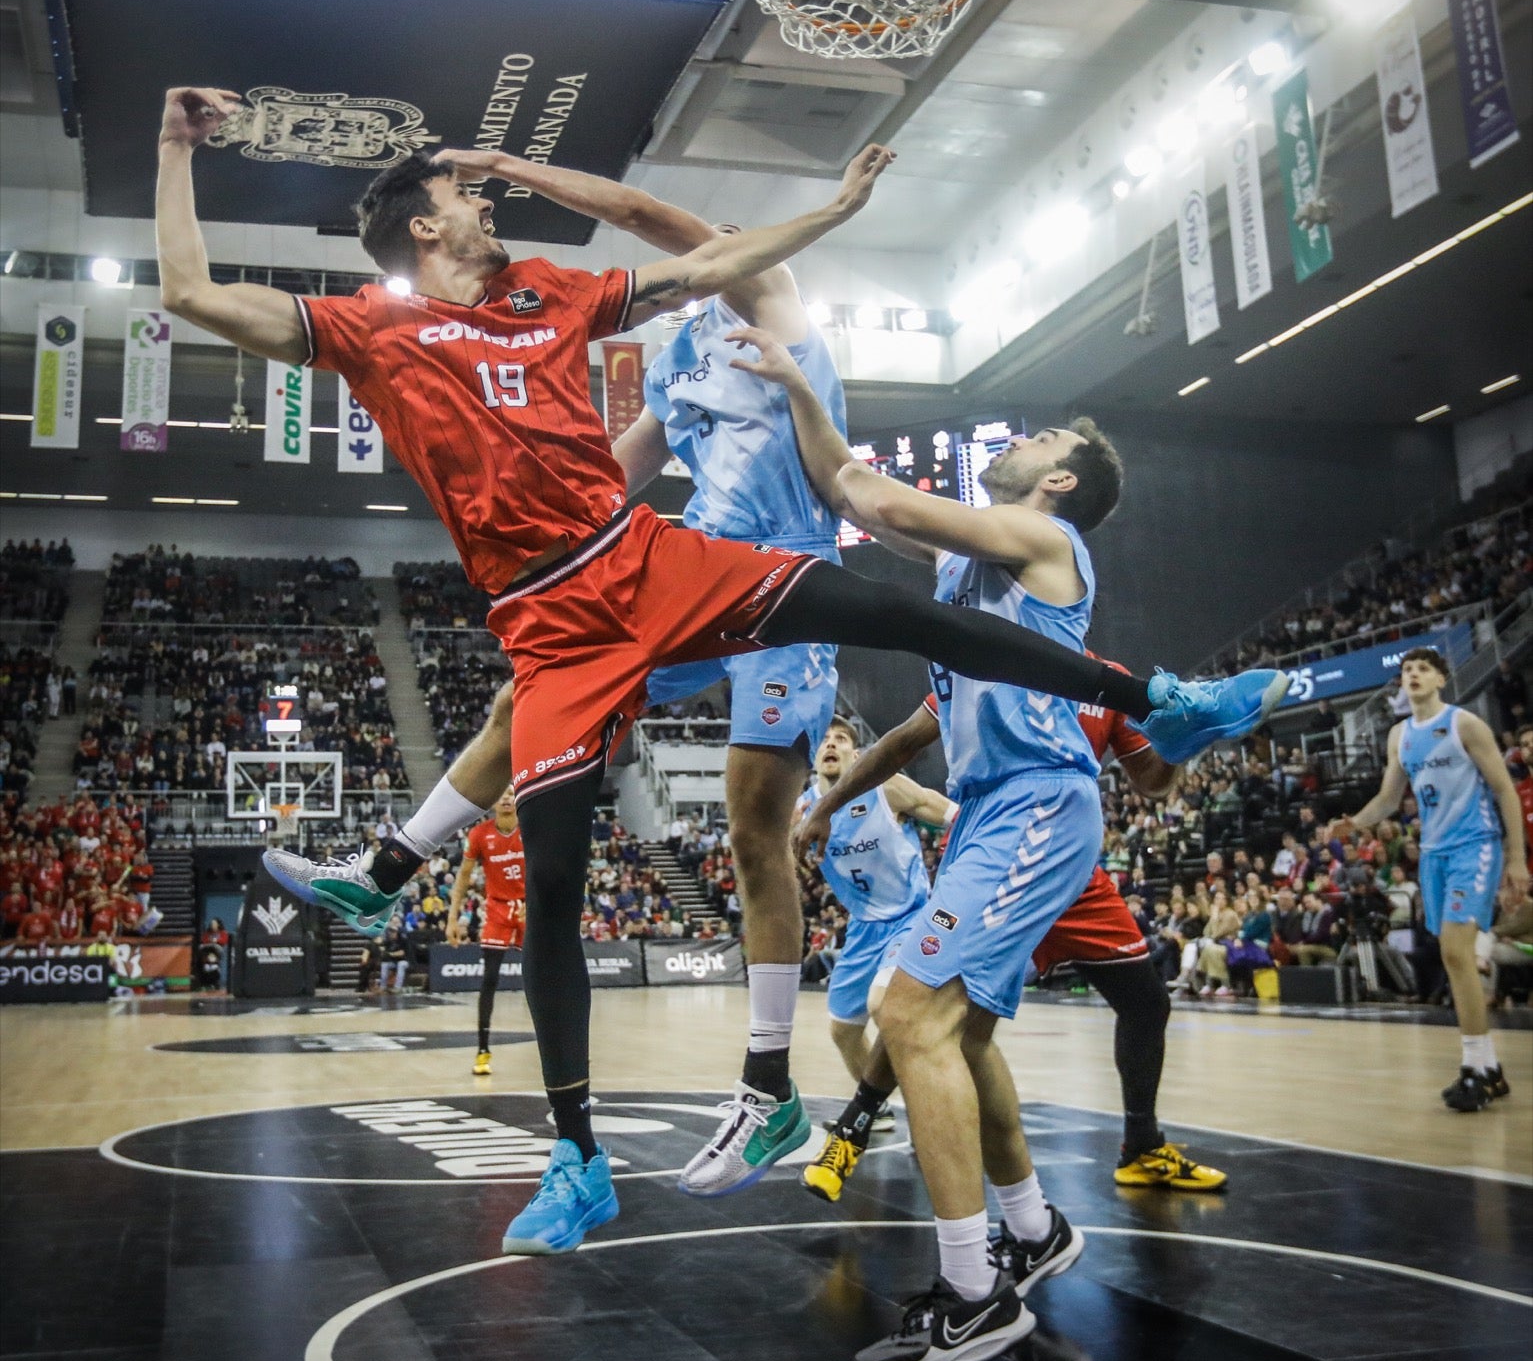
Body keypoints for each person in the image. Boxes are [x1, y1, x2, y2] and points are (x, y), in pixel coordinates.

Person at [156, 88, 1280, 1261]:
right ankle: (567, 1140)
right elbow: (191, 295)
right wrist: (178, 146)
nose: (483, 201)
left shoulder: (575, 289)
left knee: (857, 675)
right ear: (427, 231)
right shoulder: (384, 332)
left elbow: (696, 242)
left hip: (687, 569)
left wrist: (835, 211)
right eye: (465, 195)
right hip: (558, 617)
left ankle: (1157, 701)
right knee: (548, 877)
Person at [765, 336, 1266, 1361]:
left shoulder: (1047, 540)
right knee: (964, 1036)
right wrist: (795, 401)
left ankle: (973, 1292)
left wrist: (798, 382)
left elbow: (880, 501)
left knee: (908, 1016)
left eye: (1040, 434)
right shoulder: (971, 559)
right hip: (994, 813)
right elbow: (860, 495)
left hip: (1035, 805)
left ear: (1060, 479)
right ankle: (1031, 1230)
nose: (1021, 433)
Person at [495, 163, 856, 1194]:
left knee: (753, 831)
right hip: (696, 572)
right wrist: (545, 500)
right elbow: (629, 464)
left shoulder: (773, 301)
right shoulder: (677, 353)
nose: (715, 251)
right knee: (557, 671)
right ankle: (400, 854)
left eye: (727, 239)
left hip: (786, 574)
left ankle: (767, 1085)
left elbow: (653, 218)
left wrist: (516, 171)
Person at [797, 668, 1226, 1206]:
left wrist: (1186, 738)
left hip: (1070, 864)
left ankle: (1141, 1147)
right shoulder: (988, 660)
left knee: (1146, 1004)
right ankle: (858, 1130)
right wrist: (826, 805)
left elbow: (1154, 780)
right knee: (933, 1012)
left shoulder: (1110, 681)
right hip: (1001, 857)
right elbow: (903, 740)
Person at [1333, 647, 1528, 1110]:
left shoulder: (1465, 725)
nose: (1413, 674)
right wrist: (1355, 822)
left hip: (1476, 845)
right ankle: (1489, 1068)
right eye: (1406, 670)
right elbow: (1387, 797)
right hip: (1435, 855)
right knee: (1454, 959)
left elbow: (1505, 790)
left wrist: (1516, 859)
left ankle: (1474, 1068)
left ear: (1441, 679)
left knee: (1456, 952)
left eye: (1423, 668)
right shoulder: (1400, 735)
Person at [793, 716, 956, 1199]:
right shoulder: (802, 808)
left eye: (841, 739)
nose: (831, 745)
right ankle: (881, 1106)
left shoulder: (886, 787)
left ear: (856, 754)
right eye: (824, 740)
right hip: (863, 927)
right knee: (842, 1028)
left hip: (911, 917)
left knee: (889, 1006)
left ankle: (920, 1111)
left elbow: (944, 809)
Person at [446, 786, 524, 1076]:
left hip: (531, 907)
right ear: (491, 801)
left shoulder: (532, 826)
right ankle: (482, 1050)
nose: (505, 797)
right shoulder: (480, 834)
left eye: (511, 792)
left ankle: (557, 1047)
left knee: (543, 977)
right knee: (490, 978)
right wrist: (452, 919)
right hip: (498, 909)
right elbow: (464, 877)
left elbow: (548, 867)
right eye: (500, 793)